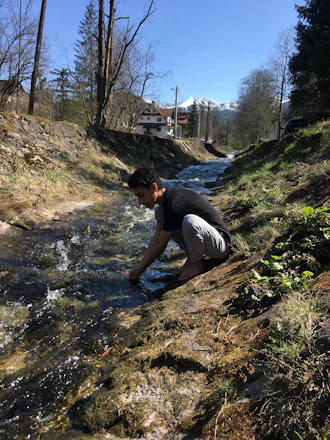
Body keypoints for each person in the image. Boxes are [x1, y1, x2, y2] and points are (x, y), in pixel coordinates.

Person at [126, 167, 231, 282]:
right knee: (160, 213)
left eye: (141, 195)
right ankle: (192, 258)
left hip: (221, 246)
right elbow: (157, 237)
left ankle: (196, 263)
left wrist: (142, 268)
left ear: (154, 187)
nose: (140, 202)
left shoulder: (174, 205)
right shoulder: (165, 204)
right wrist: (140, 264)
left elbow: (161, 244)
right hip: (207, 241)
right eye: (137, 197)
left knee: (190, 221)